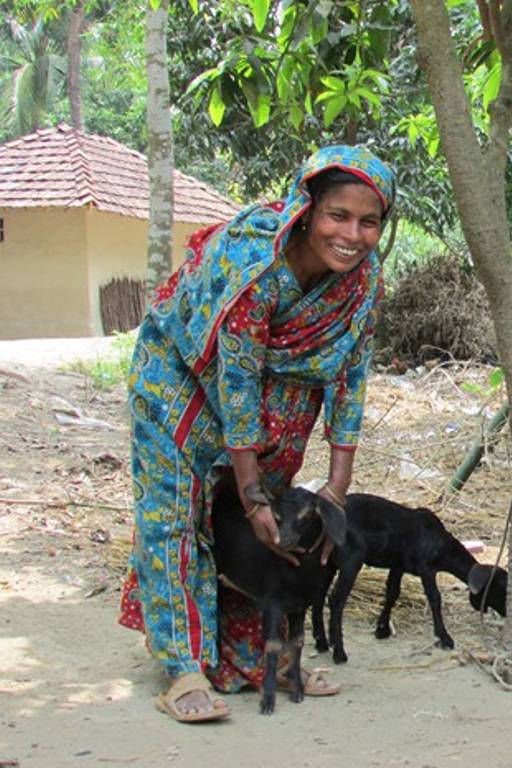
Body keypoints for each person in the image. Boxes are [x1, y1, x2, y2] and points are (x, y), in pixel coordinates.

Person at [118, 145, 395, 723]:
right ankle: (183, 667)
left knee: (261, 531)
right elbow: (237, 375)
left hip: (278, 400)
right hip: (184, 382)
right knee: (178, 519)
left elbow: (352, 373)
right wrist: (248, 489)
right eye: (337, 216)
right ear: (307, 209)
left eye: (369, 222)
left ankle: (249, 659)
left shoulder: (362, 283)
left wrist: (338, 484)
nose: (352, 234)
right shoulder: (257, 265)